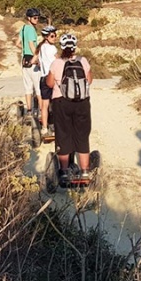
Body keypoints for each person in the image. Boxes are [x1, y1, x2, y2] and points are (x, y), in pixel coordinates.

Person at [46, 33, 93, 180]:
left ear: (61, 46)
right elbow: (89, 80)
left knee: (64, 135)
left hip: (61, 102)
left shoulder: (56, 63)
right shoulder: (83, 60)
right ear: (75, 46)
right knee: (82, 136)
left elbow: (50, 83)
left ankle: (65, 171)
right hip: (82, 103)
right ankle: (85, 171)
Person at [14, 7, 41, 116]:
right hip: (32, 61)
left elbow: (17, 43)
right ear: (29, 18)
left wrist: (24, 50)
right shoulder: (31, 29)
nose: (37, 20)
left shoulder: (23, 28)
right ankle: (40, 111)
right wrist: (37, 57)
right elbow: (31, 44)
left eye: (38, 18)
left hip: (24, 60)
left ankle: (29, 110)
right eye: (35, 18)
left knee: (28, 87)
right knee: (38, 87)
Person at [36, 25, 58, 136]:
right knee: (55, 104)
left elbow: (39, 62)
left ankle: (44, 128)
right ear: (46, 37)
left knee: (45, 104)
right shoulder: (52, 48)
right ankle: (54, 125)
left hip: (43, 78)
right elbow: (58, 62)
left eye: (55, 35)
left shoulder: (40, 48)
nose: (55, 38)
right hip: (52, 78)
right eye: (52, 36)